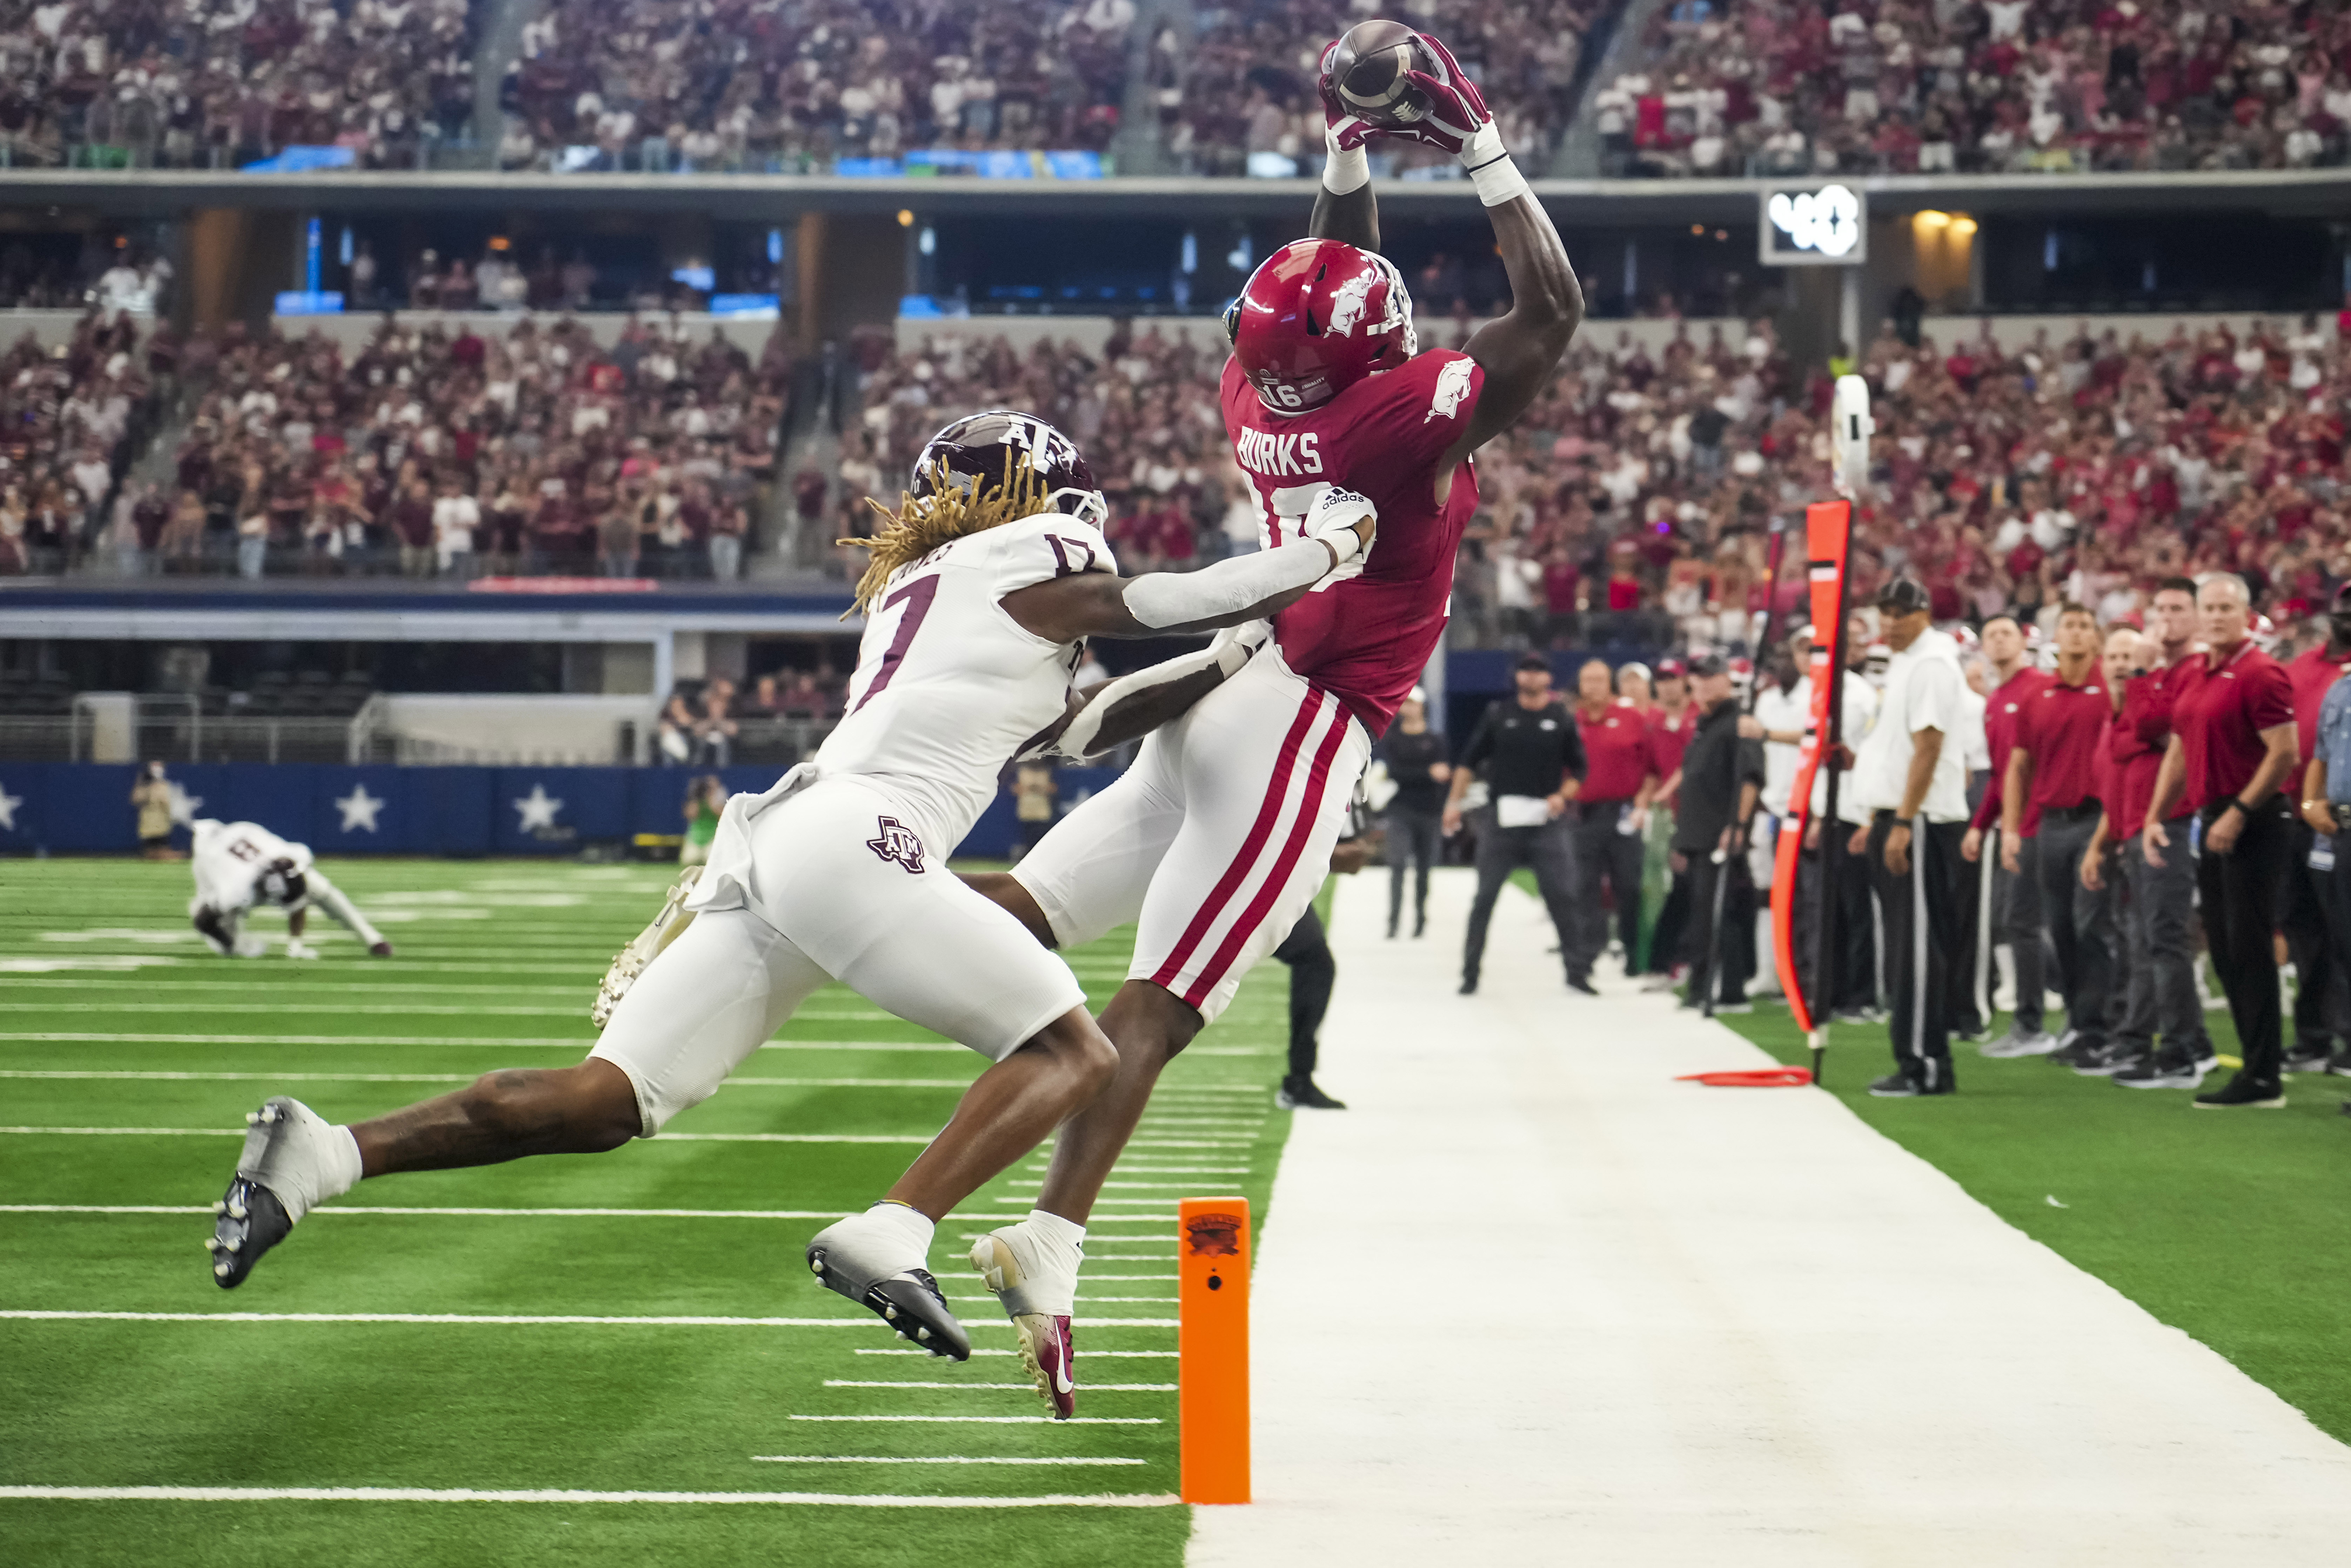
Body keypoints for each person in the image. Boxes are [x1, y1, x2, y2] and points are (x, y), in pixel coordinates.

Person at [205, 412, 1371, 1418]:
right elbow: (1156, 597)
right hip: (861, 837)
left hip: (785, 845)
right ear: (1030, 493)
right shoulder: (1036, 550)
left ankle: (328, 1155)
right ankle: (896, 1227)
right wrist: (1318, 553)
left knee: (607, 1100)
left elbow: (1083, 727)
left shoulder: (945, 586)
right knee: (1075, 1046)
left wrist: (1232, 654)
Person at [954, 27, 1579, 1413]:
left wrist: (1349, 141)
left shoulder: (1255, 387)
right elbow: (1549, 314)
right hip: (1304, 712)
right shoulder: (1394, 416)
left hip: (1233, 683)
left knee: (1031, 912)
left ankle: (826, 919)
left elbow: (1320, 274)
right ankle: (1044, 1237)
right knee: (1160, 1006)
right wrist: (1471, 133)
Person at [2143, 573, 2300, 1109]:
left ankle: (2264, 1076)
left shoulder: (2260, 672)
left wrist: (2238, 811)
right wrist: (2155, 813)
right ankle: (2256, 1067)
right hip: (2210, 817)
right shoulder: (2197, 673)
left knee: (2250, 945)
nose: (2214, 616)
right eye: (2207, 607)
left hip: (2253, 819)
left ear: (2244, 613)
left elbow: (2284, 752)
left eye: (2223, 608)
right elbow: (2180, 751)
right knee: (2227, 950)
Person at [1850, 578, 1971, 1097]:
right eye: (1885, 612)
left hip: (1918, 822)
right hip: (1898, 816)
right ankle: (1923, 1058)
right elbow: (1898, 747)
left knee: (1916, 949)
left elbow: (1927, 747)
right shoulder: (1903, 663)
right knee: (1906, 945)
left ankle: (1922, 1062)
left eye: (1901, 612)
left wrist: (1901, 821)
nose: (1890, 622)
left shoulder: (1929, 664)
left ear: (1924, 613)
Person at [2102, 578, 2218, 1089]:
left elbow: (2151, 723)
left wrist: (2144, 674)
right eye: (2160, 608)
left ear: (2195, 617)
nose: (2167, 617)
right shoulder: (2171, 673)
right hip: (2141, 817)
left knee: (2166, 937)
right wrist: (2149, 716)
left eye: (2177, 608)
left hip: (2174, 816)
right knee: (2151, 937)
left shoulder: (2196, 669)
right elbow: (2128, 734)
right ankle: (2183, 1042)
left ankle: (2181, 1050)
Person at [2000, 603, 2121, 1070]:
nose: (2075, 632)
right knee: (2060, 926)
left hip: (2094, 817)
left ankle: (2098, 1027)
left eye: (2084, 626)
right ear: (2056, 634)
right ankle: (2078, 1020)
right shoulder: (2037, 694)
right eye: (2068, 625)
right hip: (2050, 822)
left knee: (2093, 923)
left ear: (2095, 638)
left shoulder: (2108, 690)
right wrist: (2012, 828)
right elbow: (2018, 765)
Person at [1754, 623, 1880, 1020]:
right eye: (1804, 650)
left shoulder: (1854, 692)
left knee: (1854, 909)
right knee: (1826, 908)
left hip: (1855, 811)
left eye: (1818, 649)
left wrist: (1768, 733)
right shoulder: (1813, 693)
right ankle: (1832, 990)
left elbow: (1827, 743)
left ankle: (1860, 995)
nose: (1811, 657)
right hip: (1826, 812)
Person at [1444, 654, 1588, 994]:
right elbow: (1468, 762)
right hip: (1501, 819)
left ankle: (1577, 973)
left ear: (1549, 678)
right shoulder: (1499, 715)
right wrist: (1454, 803)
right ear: (1517, 676)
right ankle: (1470, 973)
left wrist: (1562, 796)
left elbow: (1581, 769)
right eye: (1527, 670)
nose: (1532, 676)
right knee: (1485, 898)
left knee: (1563, 896)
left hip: (1546, 820)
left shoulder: (1560, 717)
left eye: (1539, 670)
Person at [1966, 612, 2055, 1055]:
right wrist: (1981, 825)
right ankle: (2034, 1018)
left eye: (2007, 633)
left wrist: (2014, 826)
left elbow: (2033, 768)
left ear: (2024, 640)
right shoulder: (1997, 698)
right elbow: (2003, 774)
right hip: (2019, 823)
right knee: (2021, 919)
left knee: (2029, 920)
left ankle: (2034, 1022)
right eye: (1991, 635)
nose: (1999, 641)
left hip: (2039, 823)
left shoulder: (2039, 688)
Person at [2279, 584, 2351, 1072]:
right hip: (2304, 817)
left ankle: (2344, 1035)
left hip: (2337, 819)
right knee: (2305, 925)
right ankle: (2313, 1034)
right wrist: (2308, 802)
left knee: (2342, 934)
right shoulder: (2306, 671)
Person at [1673, 654, 1764, 1012]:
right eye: (1698, 678)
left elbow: (1750, 780)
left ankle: (1726, 990)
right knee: (1706, 914)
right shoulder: (1704, 724)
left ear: (1727, 680)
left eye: (1712, 677)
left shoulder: (1739, 723)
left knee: (1720, 914)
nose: (1704, 683)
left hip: (1720, 835)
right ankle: (1706, 986)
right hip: (1699, 834)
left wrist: (1738, 826)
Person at [1271, 803, 1373, 1111]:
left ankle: (1300, 1079)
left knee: (1316, 964)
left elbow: (1352, 855)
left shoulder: (1345, 771)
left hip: (1274, 881)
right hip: (1240, 875)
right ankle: (1299, 1079)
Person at [187, 818, 394, 962]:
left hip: (245, 834)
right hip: (210, 857)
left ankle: (373, 939)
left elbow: (297, 898)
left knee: (323, 890)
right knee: (226, 944)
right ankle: (234, 946)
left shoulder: (293, 855)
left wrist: (296, 945)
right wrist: (231, 943)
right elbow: (203, 922)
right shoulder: (234, 890)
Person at [1569, 657, 1660, 985]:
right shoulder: (1573, 721)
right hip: (1584, 814)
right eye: (1587, 680)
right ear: (1580, 684)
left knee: (1630, 886)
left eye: (1599, 680)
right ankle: (1587, 955)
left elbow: (1651, 767)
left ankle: (1634, 952)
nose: (1593, 686)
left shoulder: (1631, 718)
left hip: (1623, 811)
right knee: (1585, 888)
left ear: (1609, 684)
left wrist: (1642, 801)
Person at [2302, 656, 2351, 1077]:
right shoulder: (2339, 689)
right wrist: (2308, 803)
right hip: (2339, 831)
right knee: (2344, 946)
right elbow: (2320, 754)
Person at [1642, 657, 1699, 985]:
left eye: (1672, 679)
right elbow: (1652, 769)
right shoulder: (1654, 721)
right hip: (1671, 815)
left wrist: (1666, 790)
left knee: (1687, 890)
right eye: (1661, 680)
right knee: (1675, 890)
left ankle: (1672, 962)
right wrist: (1645, 801)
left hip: (1698, 813)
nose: (1667, 685)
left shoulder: (1698, 717)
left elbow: (1690, 764)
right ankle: (1669, 962)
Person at [1375, 686, 1448, 938]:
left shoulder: (1435, 740)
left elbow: (1443, 775)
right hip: (1401, 810)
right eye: (1405, 703)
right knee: (1397, 865)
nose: (1409, 708)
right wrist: (1427, 773)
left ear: (1422, 706)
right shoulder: (1393, 739)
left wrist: (1425, 776)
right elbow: (1394, 773)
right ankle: (1393, 922)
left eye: (1413, 703)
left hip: (1429, 811)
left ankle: (1420, 920)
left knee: (1425, 870)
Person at [129, 760, 176, 859]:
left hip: (161, 827)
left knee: (162, 853)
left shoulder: (165, 786)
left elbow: (168, 804)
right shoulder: (144, 786)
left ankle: (181, 856)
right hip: (148, 827)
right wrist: (145, 786)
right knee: (150, 854)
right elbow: (136, 799)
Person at [679, 774, 725, 866]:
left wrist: (711, 799)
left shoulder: (719, 798)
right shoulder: (696, 801)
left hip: (712, 838)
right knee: (689, 861)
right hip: (695, 838)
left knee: (713, 862)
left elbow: (722, 815)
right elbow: (691, 815)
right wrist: (696, 797)